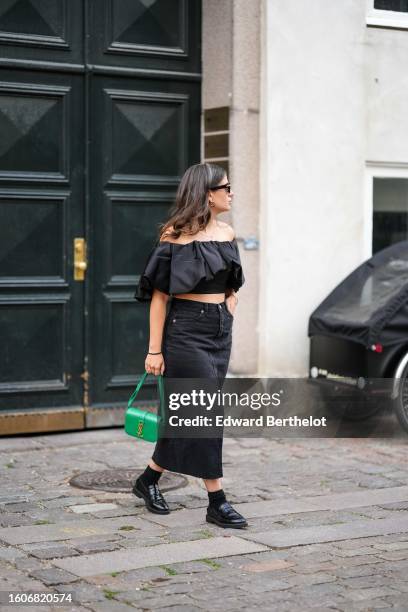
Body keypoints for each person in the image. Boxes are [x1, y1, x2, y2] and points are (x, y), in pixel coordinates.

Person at [132, 162, 248, 529]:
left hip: (219, 333)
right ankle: (217, 500)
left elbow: (233, 281)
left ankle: (148, 479)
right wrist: (154, 350)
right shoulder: (175, 236)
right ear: (207, 193)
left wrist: (229, 304)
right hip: (186, 333)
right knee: (206, 414)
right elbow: (159, 298)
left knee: (189, 414)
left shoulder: (227, 233)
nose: (231, 193)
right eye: (226, 187)